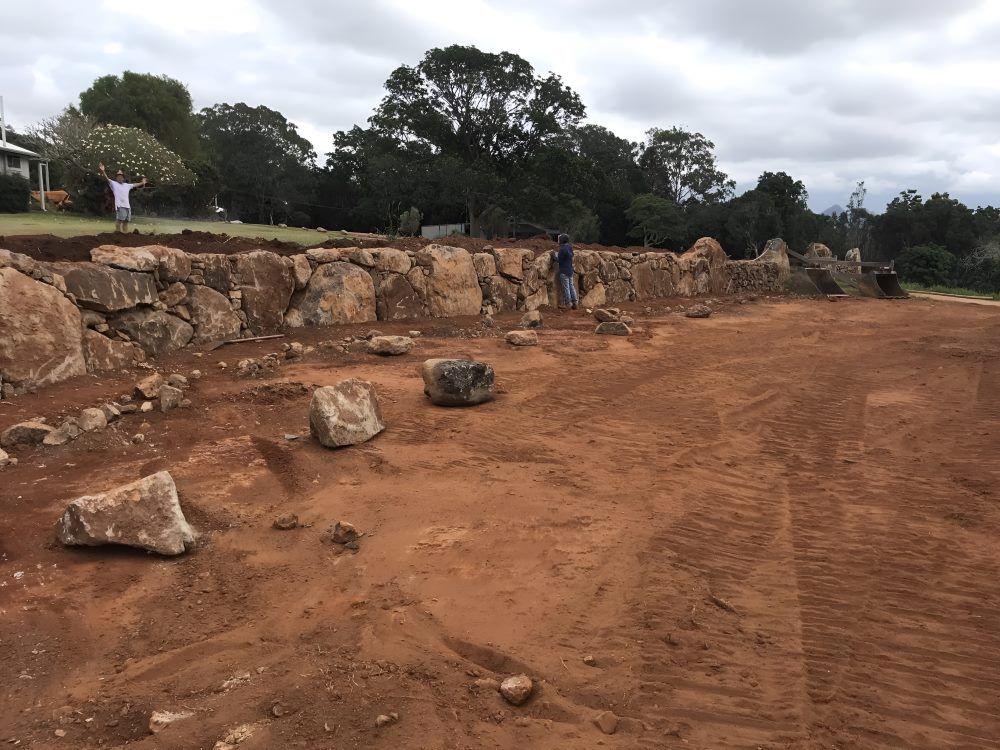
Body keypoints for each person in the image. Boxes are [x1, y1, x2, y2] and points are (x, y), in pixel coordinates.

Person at [98, 162, 146, 233]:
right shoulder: (114, 184)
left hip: (127, 206)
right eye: (118, 176)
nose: (120, 177)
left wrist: (142, 183)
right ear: (116, 178)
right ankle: (118, 234)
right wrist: (103, 171)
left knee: (126, 222)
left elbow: (135, 185)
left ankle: (125, 235)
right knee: (120, 220)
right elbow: (107, 178)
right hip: (120, 205)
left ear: (123, 178)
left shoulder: (127, 185)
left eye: (121, 176)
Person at [551, 233, 578, 309]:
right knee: (571, 286)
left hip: (564, 271)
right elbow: (571, 255)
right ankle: (575, 303)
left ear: (562, 240)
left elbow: (559, 260)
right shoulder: (569, 247)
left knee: (566, 288)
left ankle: (568, 304)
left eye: (559, 239)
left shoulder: (562, 249)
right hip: (570, 270)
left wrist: (553, 255)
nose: (558, 241)